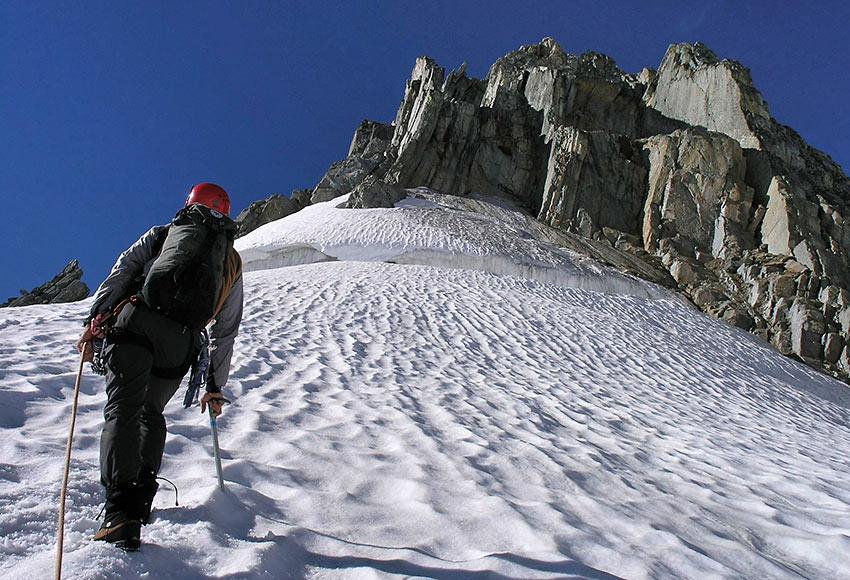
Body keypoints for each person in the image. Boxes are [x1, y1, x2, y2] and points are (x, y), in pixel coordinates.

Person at [76, 183, 243, 551]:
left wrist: (95, 321)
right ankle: (142, 500)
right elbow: (226, 328)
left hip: (137, 321)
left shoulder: (163, 234)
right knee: (151, 413)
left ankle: (120, 511)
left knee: (124, 407)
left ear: (190, 204)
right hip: (181, 343)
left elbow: (123, 271)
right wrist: (215, 385)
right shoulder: (230, 260)